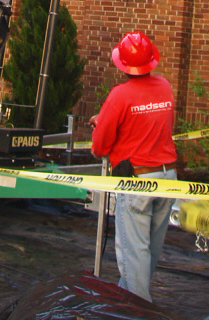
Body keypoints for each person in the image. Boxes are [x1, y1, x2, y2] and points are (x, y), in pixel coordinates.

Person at [90, 31, 177, 302]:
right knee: (147, 250)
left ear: (122, 64)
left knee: (133, 251)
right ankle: (127, 301)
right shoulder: (164, 87)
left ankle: (138, 310)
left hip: (137, 182)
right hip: (168, 177)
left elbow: (99, 147)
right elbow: (154, 124)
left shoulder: (120, 95)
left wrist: (101, 123)